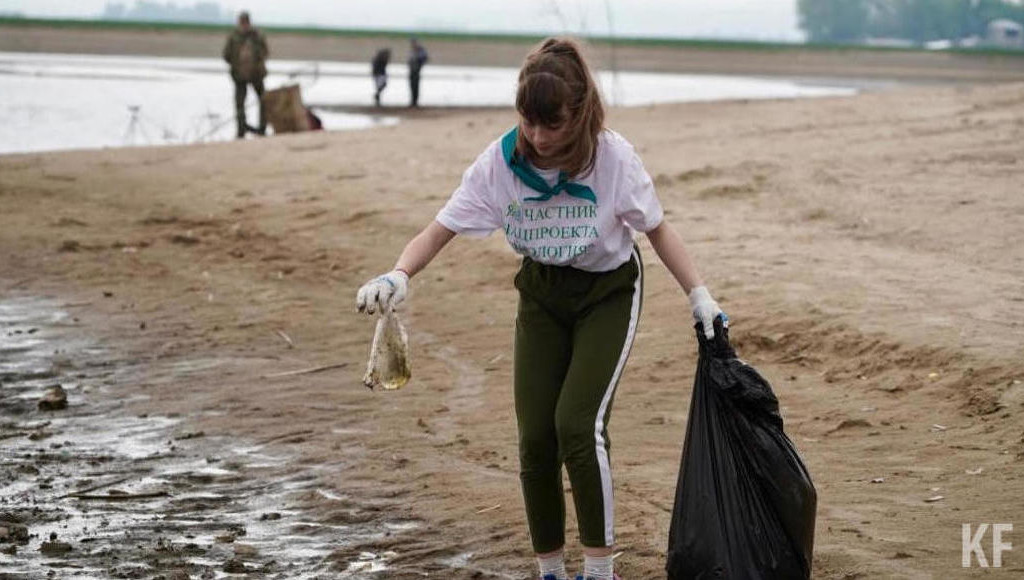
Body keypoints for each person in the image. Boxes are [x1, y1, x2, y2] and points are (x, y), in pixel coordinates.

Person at [355, 37, 726, 580]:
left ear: (578, 116)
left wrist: (700, 296)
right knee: (534, 439)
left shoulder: (613, 159)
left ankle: (599, 570)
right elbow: (439, 230)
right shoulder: (500, 163)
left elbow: (657, 230)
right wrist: (398, 274)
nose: (537, 136)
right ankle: (550, 570)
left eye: (550, 125)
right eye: (528, 122)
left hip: (607, 293)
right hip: (542, 296)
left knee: (577, 424)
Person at [222, 11, 269, 139]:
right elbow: (226, 55)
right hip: (239, 77)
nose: (243, 25)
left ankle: (262, 128)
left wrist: (257, 64)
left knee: (264, 101)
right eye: (242, 22)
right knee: (239, 104)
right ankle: (241, 130)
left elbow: (265, 52)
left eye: (245, 22)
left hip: (256, 75)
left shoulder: (257, 36)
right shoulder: (233, 37)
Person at [407, 37, 429, 107]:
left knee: (415, 86)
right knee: (412, 86)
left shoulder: (420, 50)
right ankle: (413, 101)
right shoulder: (413, 50)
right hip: (412, 70)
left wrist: (419, 63)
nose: (412, 44)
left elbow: (424, 58)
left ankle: (415, 102)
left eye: (413, 42)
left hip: (416, 70)